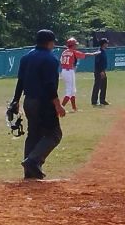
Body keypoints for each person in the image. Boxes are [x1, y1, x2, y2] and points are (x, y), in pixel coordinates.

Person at [9, 28, 67, 179]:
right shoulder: (50, 59)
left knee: (33, 134)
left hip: (29, 101)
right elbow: (49, 85)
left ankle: (30, 172)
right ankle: (33, 161)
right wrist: (58, 104)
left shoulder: (26, 57)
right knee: (54, 134)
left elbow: (20, 81)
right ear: (49, 42)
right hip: (44, 103)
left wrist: (16, 100)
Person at [59, 37, 99, 112]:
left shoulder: (64, 52)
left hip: (64, 71)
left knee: (73, 90)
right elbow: (85, 55)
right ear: (72, 45)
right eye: (75, 45)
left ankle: (74, 108)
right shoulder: (73, 51)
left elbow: (61, 62)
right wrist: (94, 54)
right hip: (69, 71)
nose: (76, 46)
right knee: (69, 91)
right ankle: (61, 108)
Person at [90, 38, 110, 107]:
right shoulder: (99, 52)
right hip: (99, 71)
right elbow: (97, 63)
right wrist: (101, 71)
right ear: (103, 44)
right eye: (106, 43)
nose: (107, 44)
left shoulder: (103, 51)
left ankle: (102, 100)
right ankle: (94, 101)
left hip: (103, 71)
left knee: (104, 86)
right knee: (97, 86)